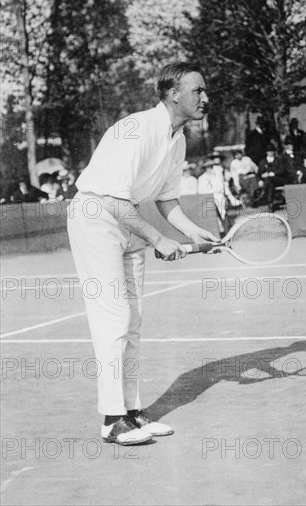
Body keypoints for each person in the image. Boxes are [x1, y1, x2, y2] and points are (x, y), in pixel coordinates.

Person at [67, 63, 218, 446]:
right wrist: (159, 240)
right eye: (198, 91)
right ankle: (111, 419)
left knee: (133, 320)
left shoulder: (178, 138)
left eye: (205, 91)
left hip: (129, 215)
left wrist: (191, 231)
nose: (206, 97)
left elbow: (167, 201)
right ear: (173, 94)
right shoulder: (136, 129)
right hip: (96, 216)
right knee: (113, 315)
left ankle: (131, 413)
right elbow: (113, 200)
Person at [257, 145, 288, 210]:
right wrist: (260, 179)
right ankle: (270, 204)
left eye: (272, 151)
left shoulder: (279, 160)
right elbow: (259, 173)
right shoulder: (263, 162)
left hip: (279, 179)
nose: (270, 153)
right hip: (269, 182)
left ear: (274, 152)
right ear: (266, 152)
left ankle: (263, 192)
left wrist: (273, 173)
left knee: (270, 179)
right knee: (271, 184)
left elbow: (282, 170)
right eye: (269, 151)